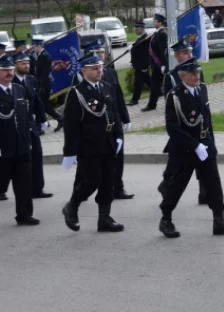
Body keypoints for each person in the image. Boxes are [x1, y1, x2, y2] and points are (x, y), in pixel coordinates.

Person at [158, 58, 224, 239]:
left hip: (205, 146)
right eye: (192, 74)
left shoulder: (202, 89)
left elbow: (207, 120)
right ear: (182, 76)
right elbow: (173, 128)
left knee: (213, 184)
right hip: (184, 149)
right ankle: (166, 218)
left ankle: (219, 219)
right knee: (177, 185)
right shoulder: (175, 96)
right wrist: (194, 145)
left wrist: (211, 144)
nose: (197, 76)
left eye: (197, 72)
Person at [61, 52, 125, 233]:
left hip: (109, 143)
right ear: (84, 70)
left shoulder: (106, 87)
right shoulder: (77, 93)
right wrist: (69, 152)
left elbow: (114, 113)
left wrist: (119, 135)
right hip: (89, 146)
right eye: (94, 68)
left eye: (100, 67)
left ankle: (104, 219)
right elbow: (70, 124)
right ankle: (72, 206)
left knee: (108, 182)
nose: (99, 71)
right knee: (92, 181)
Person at [159, 40, 208, 205]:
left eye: (190, 52)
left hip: (198, 123)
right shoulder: (171, 77)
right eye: (185, 53)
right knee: (175, 161)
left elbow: (203, 96)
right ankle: (166, 185)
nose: (189, 55)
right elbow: (170, 103)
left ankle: (204, 191)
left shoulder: (197, 72)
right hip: (181, 124)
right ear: (177, 56)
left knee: (203, 159)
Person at [0, 54, 38, 225]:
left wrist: (29, 137)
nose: (8, 73)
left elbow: (25, 116)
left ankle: (24, 214)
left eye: (10, 69)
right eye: (4, 70)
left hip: (21, 145)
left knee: (24, 183)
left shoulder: (19, 89)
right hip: (3, 147)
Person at [93, 44, 133, 200]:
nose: (101, 55)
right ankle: (89, 189)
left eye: (102, 52)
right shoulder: (85, 76)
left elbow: (119, 96)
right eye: (97, 53)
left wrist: (125, 118)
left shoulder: (110, 72)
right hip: (98, 124)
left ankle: (118, 188)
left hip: (115, 119)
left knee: (119, 156)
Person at [12, 53, 52, 199]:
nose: (26, 66)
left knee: (37, 154)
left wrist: (43, 119)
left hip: (30, 123)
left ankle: (37, 189)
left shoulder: (31, 80)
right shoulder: (10, 80)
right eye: (22, 63)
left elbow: (37, 101)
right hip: (15, 125)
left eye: (27, 63)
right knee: (16, 160)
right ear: (16, 65)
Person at [142, 13, 168, 112]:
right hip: (155, 65)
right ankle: (152, 104)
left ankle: (152, 104)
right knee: (156, 86)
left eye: (155, 21)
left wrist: (164, 64)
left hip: (159, 65)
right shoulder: (156, 33)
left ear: (160, 23)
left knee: (159, 85)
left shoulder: (162, 34)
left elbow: (163, 51)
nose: (153, 22)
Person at [127, 21, 150, 106]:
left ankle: (134, 100)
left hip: (142, 64)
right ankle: (159, 92)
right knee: (148, 80)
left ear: (141, 28)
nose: (135, 30)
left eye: (136, 29)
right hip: (138, 64)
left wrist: (132, 48)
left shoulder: (146, 38)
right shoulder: (141, 37)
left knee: (138, 83)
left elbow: (143, 52)